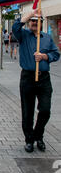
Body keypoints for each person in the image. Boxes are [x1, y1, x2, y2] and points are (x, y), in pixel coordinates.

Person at [12, 10, 60, 153]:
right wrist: (32, 13)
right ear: (29, 22)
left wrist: (45, 56)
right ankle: (29, 139)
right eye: (32, 20)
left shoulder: (47, 38)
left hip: (44, 78)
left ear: (41, 23)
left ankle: (38, 135)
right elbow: (16, 27)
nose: (34, 23)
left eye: (37, 21)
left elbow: (56, 54)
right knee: (27, 111)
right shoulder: (24, 35)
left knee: (45, 110)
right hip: (28, 77)